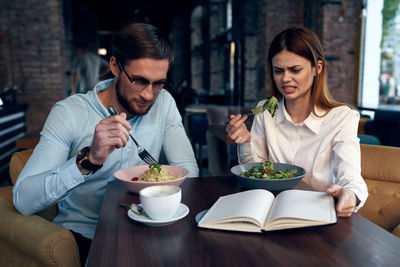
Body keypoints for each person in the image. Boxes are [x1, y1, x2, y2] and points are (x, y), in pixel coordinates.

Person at [13, 22, 199, 265]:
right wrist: (88, 160)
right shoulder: (69, 113)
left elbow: (188, 167)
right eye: (140, 80)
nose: (149, 95)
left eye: (159, 83)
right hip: (86, 232)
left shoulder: (164, 103)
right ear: (114, 66)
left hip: (150, 225)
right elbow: (23, 200)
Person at [226, 27, 368, 218]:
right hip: (273, 212)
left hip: (320, 216)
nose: (285, 78)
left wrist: (350, 195)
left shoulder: (342, 117)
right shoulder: (267, 109)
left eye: (295, 70)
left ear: (317, 68)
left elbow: (351, 180)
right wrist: (244, 141)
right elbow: (256, 173)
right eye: (278, 71)